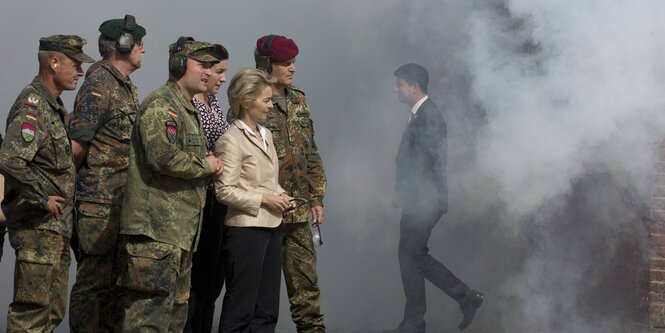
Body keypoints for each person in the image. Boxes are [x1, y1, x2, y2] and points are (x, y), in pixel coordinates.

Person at [116, 37, 223, 332]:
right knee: (148, 320)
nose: (209, 73)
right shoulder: (162, 106)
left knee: (175, 318)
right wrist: (207, 166)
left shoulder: (188, 110)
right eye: (202, 65)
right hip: (155, 235)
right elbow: (161, 156)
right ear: (178, 65)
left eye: (212, 67)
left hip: (180, 235)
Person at [0, 34, 94, 332]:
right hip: (37, 228)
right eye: (75, 64)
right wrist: (42, 197)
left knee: (52, 312)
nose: (80, 72)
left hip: (55, 229)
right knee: (31, 315)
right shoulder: (33, 107)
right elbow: (11, 159)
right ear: (53, 62)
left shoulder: (53, 106)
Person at [385, 63, 484, 333]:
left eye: (400, 84)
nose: (396, 89)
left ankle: (415, 322)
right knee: (414, 256)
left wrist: (406, 192)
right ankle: (465, 298)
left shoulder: (429, 116)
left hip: (423, 201)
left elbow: (424, 162)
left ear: (414, 86)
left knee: (410, 256)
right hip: (420, 199)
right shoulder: (420, 114)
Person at [67, 15, 146, 332]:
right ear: (123, 46)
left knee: (114, 290)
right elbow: (76, 147)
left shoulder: (123, 87)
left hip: (117, 204)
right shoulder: (99, 86)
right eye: (138, 42)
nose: (143, 48)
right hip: (97, 205)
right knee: (93, 287)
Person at [253, 34, 328, 333]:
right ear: (266, 63)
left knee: (306, 288)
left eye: (294, 62)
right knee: (261, 295)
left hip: (298, 214)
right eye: (285, 62)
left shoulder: (299, 99)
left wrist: (317, 197)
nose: (292, 68)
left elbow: (310, 150)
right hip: (264, 214)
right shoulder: (251, 100)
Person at [216, 67, 294, 333]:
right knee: (241, 308)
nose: (271, 106)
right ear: (247, 102)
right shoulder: (231, 140)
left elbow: (269, 180)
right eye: (266, 100)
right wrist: (264, 199)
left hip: (272, 228)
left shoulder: (266, 135)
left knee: (267, 309)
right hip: (245, 231)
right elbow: (223, 190)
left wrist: (282, 196)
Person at [185, 43, 230, 333]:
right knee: (196, 277)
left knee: (213, 279)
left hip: (217, 199)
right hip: (197, 199)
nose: (222, 79)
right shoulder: (190, 105)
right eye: (219, 72)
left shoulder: (214, 104)